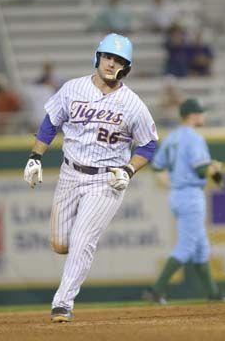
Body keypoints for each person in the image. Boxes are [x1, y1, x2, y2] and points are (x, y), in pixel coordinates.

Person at [23, 33, 159, 323]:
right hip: (70, 173)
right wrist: (35, 156)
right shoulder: (73, 89)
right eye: (108, 57)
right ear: (98, 57)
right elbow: (51, 123)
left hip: (106, 181)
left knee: (83, 240)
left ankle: (63, 303)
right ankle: (77, 256)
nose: (111, 64)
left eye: (119, 60)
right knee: (61, 243)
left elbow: (149, 145)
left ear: (126, 67)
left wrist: (129, 169)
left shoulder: (133, 104)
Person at [142, 98, 225, 305]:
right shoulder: (194, 138)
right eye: (201, 112)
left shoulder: (172, 137)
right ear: (192, 115)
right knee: (186, 247)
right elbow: (201, 168)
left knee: (201, 248)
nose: (203, 116)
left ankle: (213, 293)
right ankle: (156, 290)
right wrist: (215, 172)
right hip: (191, 195)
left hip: (178, 195)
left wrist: (169, 180)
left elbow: (157, 166)